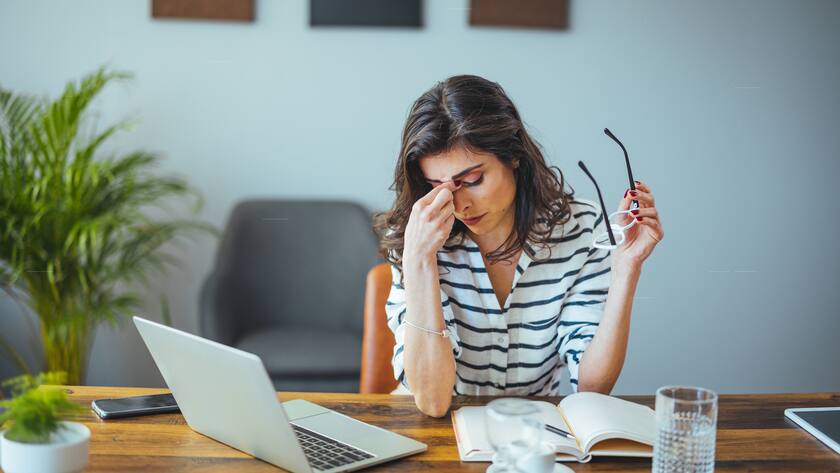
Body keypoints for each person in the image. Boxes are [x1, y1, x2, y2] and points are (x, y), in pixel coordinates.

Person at [374, 75, 663, 417]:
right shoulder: (415, 238)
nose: (458, 204)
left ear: (513, 156)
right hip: (435, 436)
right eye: (437, 186)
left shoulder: (580, 229)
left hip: (535, 436)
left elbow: (592, 386)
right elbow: (433, 401)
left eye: (472, 180)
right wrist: (420, 261)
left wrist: (626, 269)